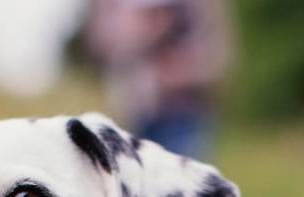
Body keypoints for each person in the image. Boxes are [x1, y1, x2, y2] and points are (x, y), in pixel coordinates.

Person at [84, 0, 231, 161]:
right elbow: (101, 42)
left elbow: (217, 54)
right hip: (131, 113)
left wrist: (184, 70)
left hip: (183, 112)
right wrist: (138, 35)